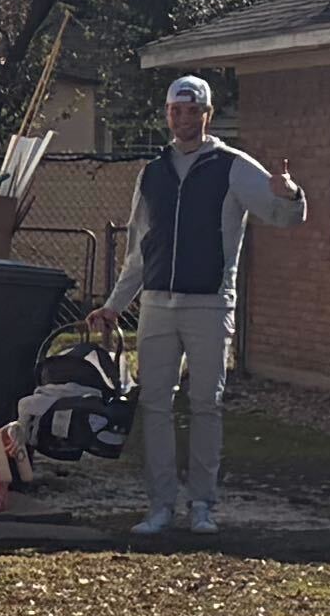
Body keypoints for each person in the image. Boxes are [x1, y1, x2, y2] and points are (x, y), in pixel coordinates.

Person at [124, 71, 304, 539]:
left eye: (192, 111)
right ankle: (161, 505)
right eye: (175, 110)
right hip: (157, 305)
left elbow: (283, 215)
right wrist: (112, 304)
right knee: (155, 406)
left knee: (206, 404)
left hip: (210, 303)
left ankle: (202, 505)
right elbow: (138, 249)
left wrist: (291, 195)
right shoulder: (153, 171)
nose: (183, 119)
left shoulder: (232, 165)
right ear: (167, 114)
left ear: (207, 115)